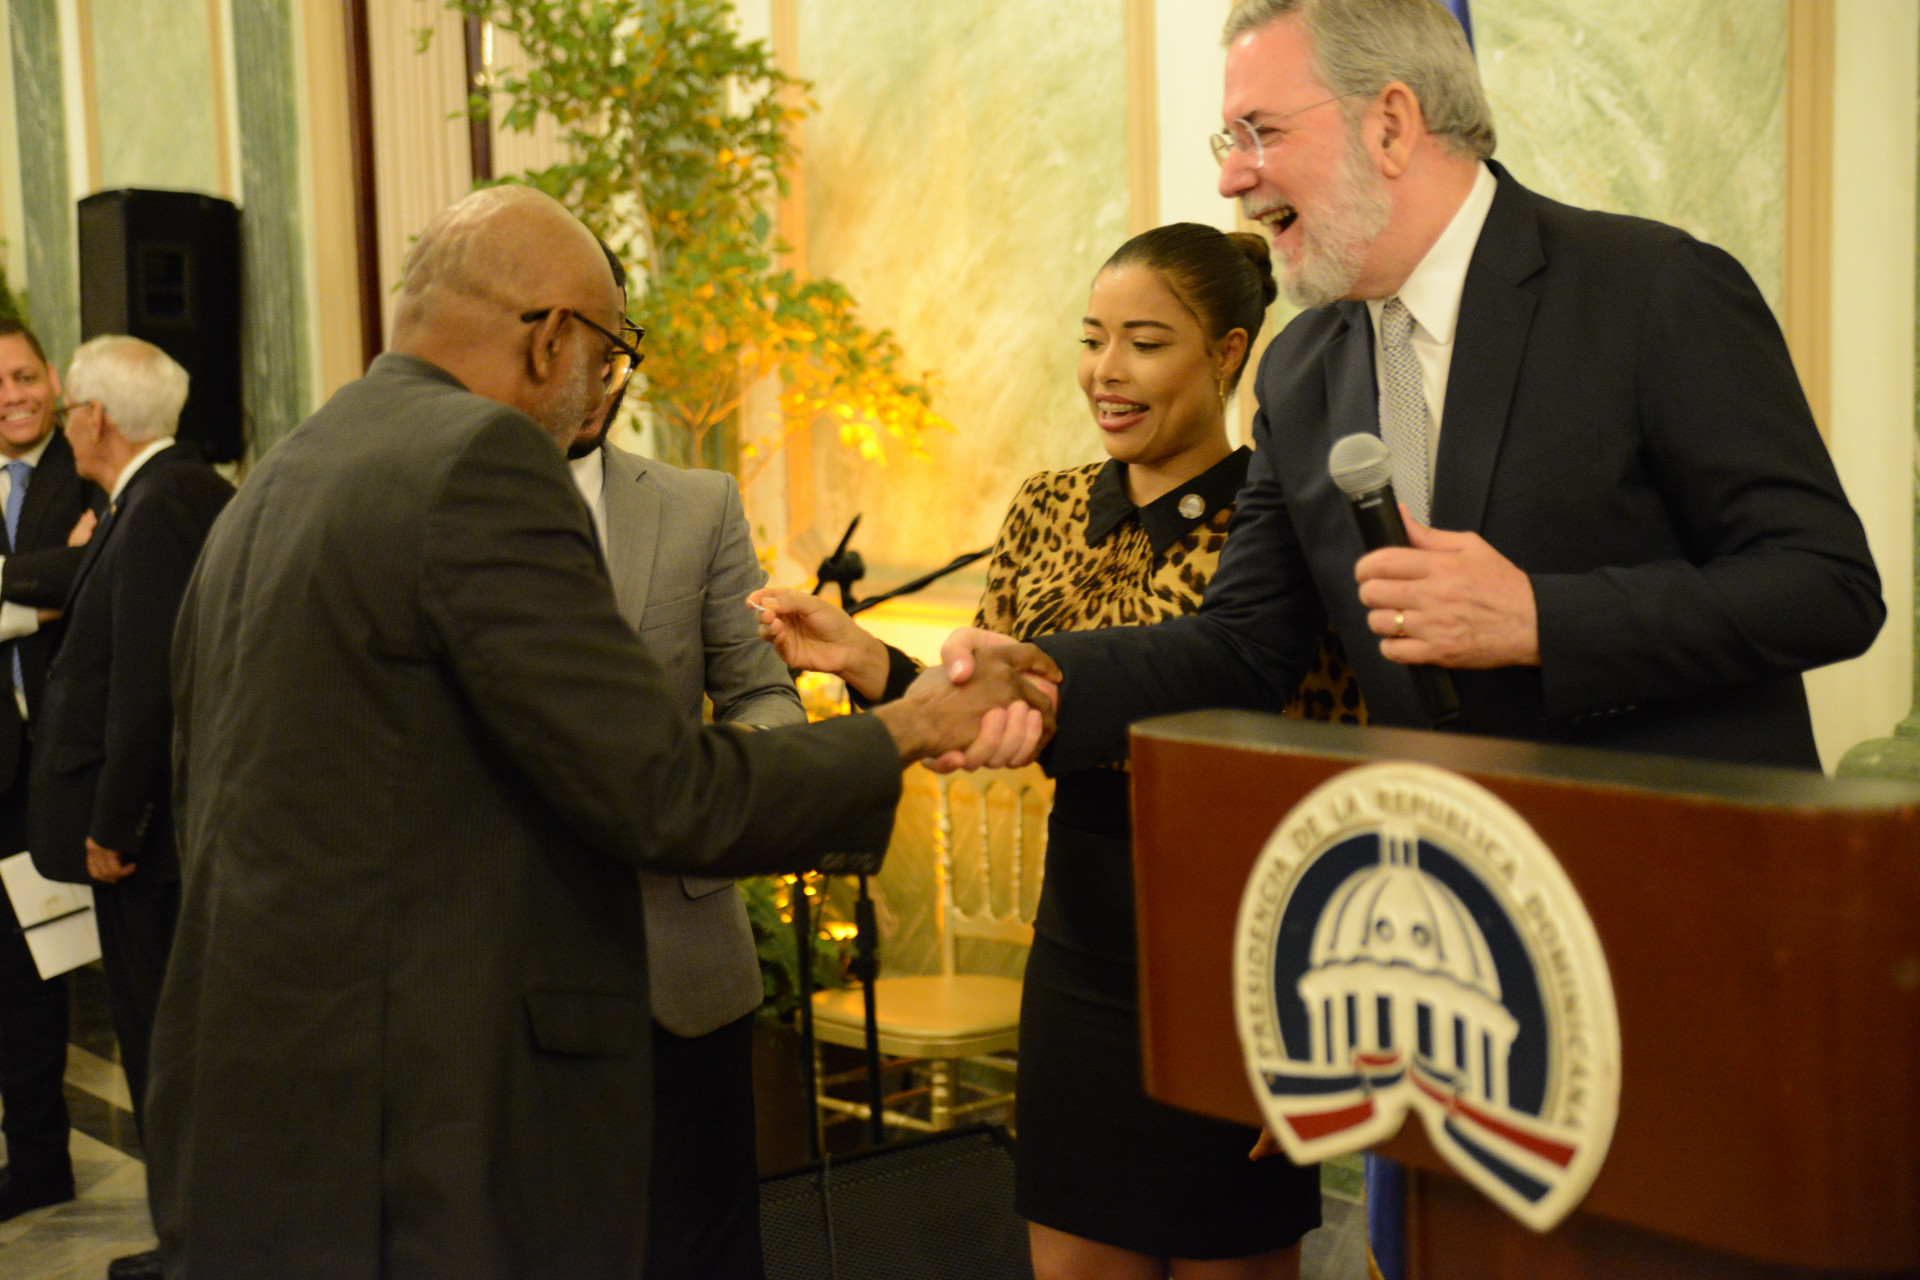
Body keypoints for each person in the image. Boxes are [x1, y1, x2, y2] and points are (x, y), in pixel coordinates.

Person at [142, 184, 1057, 1279]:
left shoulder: (276, 479)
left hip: (258, 1121)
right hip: (419, 1137)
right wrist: (911, 720)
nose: (601, 387)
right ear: (552, 341)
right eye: (610, 353)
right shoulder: (478, 463)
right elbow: (668, 791)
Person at [753, 222, 1352, 1280]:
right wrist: (868, 660)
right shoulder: (1046, 506)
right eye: (1092, 339)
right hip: (1079, 950)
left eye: (1145, 343)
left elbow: (1331, 770)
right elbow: (999, 714)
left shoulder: (1280, 524)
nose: (1105, 371)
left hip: (1239, 951)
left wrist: (1314, 1014)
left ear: (1228, 352)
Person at [568, 346, 797, 1276]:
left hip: (683, 969)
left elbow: (764, 695)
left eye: (612, 356)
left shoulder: (698, 504)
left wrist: (707, 780)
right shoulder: (436, 505)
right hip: (510, 981)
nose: (594, 380)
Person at [25, 337, 232, 1280]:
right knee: (165, 1039)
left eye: (69, 403)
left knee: (165, 1044)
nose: (68, 422)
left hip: (152, 846)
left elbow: (147, 688)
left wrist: (115, 825)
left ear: (95, 418)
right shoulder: (168, 494)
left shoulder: (158, 506)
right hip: (171, 834)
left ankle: (191, 1243)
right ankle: (189, 1233)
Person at [0, 319, 100, 1222]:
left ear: (54, 379)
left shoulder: (88, 466)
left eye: (24, 376)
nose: (12, 397)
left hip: (62, 772)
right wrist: (34, 595)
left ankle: (42, 1163)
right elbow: (57, 582)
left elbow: (88, 575)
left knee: (41, 979)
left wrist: (42, 578)